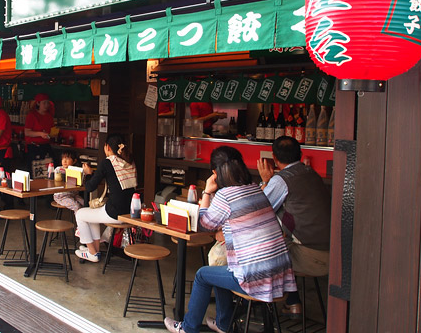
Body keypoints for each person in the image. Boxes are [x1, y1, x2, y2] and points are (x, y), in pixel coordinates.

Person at [164, 146, 296, 333]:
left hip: (257, 279)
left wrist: (207, 192)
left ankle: (187, 328)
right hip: (280, 274)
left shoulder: (226, 196)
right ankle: (223, 324)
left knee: (202, 275)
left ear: (215, 173)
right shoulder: (256, 189)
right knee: (219, 270)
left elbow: (203, 225)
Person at [257, 135, 332, 317]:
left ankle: (257, 307)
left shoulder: (281, 181)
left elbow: (259, 212)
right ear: (301, 154)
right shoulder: (311, 173)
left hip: (310, 257)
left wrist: (266, 180)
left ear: (274, 158)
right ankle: (293, 302)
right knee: (282, 241)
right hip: (332, 254)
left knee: (260, 250)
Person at [75, 134, 137, 262]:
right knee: (92, 215)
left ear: (107, 147)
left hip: (114, 212)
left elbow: (90, 187)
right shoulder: (130, 162)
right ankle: (95, 250)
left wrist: (88, 174)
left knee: (80, 214)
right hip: (130, 212)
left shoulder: (107, 163)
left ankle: (92, 253)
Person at [24, 93, 54, 162]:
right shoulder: (32, 115)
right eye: (44, 103)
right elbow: (27, 132)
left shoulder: (49, 116)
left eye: (47, 103)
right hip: (34, 146)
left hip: (46, 145)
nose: (46, 105)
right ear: (38, 103)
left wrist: (53, 134)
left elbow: (51, 129)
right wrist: (40, 134)